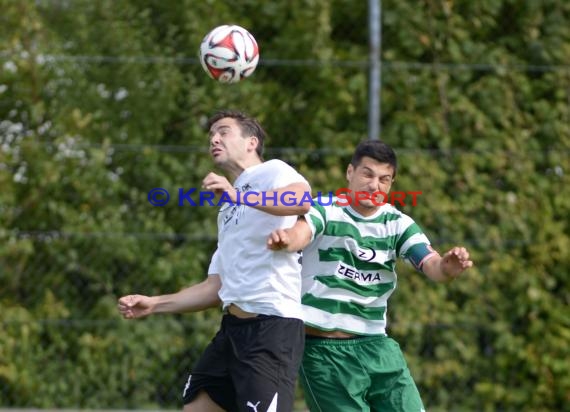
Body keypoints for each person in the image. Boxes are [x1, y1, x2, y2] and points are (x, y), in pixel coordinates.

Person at [118, 110, 311, 412]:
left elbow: (300, 200)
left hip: (271, 330)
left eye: (223, 132)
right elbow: (216, 287)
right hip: (231, 330)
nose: (214, 139)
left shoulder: (273, 171)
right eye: (211, 135)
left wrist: (239, 196)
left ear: (251, 142)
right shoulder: (227, 209)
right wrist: (154, 304)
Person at [267, 139, 473, 412]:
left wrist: (447, 268)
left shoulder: (398, 224)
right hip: (324, 351)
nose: (374, 185)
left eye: (384, 179)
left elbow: (431, 263)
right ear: (350, 173)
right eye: (367, 174)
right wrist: (287, 240)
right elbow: (302, 232)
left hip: (377, 346)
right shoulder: (326, 208)